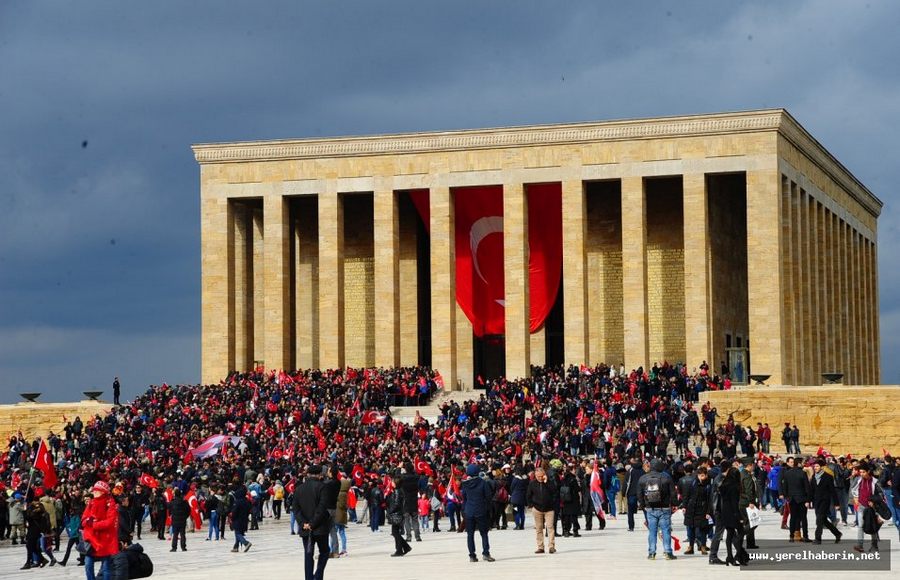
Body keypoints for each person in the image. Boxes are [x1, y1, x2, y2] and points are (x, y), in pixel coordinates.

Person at [293, 465, 332, 580]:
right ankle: (318, 575)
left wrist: (303, 523)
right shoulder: (322, 487)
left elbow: (296, 509)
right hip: (320, 527)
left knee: (308, 554)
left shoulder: (299, 488)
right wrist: (312, 523)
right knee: (324, 551)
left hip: (306, 528)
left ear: (308, 474)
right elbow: (322, 507)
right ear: (320, 474)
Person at [637, 458, 678, 561]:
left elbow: (639, 494)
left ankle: (652, 553)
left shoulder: (643, 478)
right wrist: (674, 504)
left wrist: (643, 505)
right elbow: (673, 493)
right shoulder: (666, 478)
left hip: (650, 508)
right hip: (664, 508)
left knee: (652, 531)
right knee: (666, 530)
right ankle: (668, 552)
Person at [82, 480, 120, 580]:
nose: (93, 492)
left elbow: (110, 522)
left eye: (96, 490)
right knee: (88, 563)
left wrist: (94, 524)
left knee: (106, 566)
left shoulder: (110, 503)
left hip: (105, 539)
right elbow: (84, 518)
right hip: (92, 539)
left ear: (102, 492)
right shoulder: (91, 502)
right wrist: (88, 521)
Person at [460, 464, 495, 562]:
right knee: (484, 533)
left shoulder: (465, 484)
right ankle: (486, 553)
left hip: (469, 511)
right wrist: (487, 508)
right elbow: (488, 497)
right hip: (481, 510)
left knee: (470, 534)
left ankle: (472, 555)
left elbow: (464, 498)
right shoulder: (483, 483)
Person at [718, 461, 747, 566]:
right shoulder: (734, 487)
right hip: (733, 512)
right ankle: (738, 556)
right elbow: (734, 503)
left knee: (730, 534)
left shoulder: (724, 484)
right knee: (741, 532)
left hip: (725, 511)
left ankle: (729, 556)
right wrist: (739, 516)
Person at [810, 459, 842, 544]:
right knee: (824, 520)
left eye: (817, 466)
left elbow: (832, 491)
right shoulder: (813, 477)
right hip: (816, 501)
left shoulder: (828, 477)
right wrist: (809, 500)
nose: (815, 468)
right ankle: (837, 533)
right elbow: (811, 490)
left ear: (821, 467)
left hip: (825, 501)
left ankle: (818, 538)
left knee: (819, 519)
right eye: (814, 466)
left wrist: (836, 503)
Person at [779, 456, 811, 542]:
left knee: (793, 517)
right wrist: (808, 500)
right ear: (799, 463)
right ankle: (805, 536)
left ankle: (791, 536)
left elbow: (784, 487)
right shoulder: (802, 473)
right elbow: (807, 487)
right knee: (803, 518)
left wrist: (787, 497)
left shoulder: (787, 473)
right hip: (802, 499)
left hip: (792, 499)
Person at [683, 466, 712, 555]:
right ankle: (691, 547)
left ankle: (703, 546)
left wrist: (708, 512)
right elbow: (687, 496)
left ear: (706, 475)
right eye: (700, 475)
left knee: (703, 529)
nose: (701, 477)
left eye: (703, 475)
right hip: (691, 509)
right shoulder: (693, 483)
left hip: (702, 509)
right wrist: (684, 506)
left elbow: (710, 500)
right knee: (691, 528)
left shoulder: (708, 485)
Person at [527, 466, 556, 554]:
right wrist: (531, 505)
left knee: (550, 527)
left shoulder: (549, 482)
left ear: (544, 475)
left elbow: (554, 491)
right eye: (538, 476)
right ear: (535, 475)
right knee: (539, 528)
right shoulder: (532, 483)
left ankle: (551, 546)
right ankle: (540, 547)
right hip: (537, 509)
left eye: (541, 476)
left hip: (549, 509)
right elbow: (528, 495)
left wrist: (546, 482)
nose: (540, 478)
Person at [853, 462, 882, 553]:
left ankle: (874, 546)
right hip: (861, 506)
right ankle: (860, 545)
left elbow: (881, 495)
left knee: (871, 526)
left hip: (871, 508)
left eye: (863, 472)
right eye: (860, 472)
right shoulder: (858, 480)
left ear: (868, 471)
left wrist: (873, 501)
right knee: (860, 526)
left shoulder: (875, 481)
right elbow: (853, 489)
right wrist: (856, 498)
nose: (861, 474)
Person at [386, 474, 411, 557]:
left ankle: (400, 549)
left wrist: (390, 511)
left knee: (395, 532)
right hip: (399, 513)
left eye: (392, 481)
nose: (391, 483)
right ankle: (404, 548)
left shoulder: (397, 491)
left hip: (396, 514)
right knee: (395, 532)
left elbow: (396, 504)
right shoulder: (399, 490)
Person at [230, 484, 252, 553]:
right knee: (239, 533)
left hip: (237, 520)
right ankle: (236, 547)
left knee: (238, 533)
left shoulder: (237, 502)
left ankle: (246, 543)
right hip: (245, 519)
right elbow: (249, 510)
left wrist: (232, 518)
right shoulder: (247, 501)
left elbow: (234, 512)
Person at [167, 487, 189, 552]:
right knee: (182, 534)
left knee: (175, 534)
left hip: (175, 520)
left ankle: (174, 548)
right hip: (182, 520)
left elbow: (169, 510)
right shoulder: (184, 502)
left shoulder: (172, 502)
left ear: (175, 494)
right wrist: (185, 516)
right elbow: (188, 510)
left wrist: (171, 515)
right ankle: (183, 547)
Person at [333, 475, 350, 556]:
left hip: (336, 515)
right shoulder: (346, 494)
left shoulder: (338, 494)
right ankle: (344, 549)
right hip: (343, 515)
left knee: (333, 533)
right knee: (342, 533)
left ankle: (332, 549)